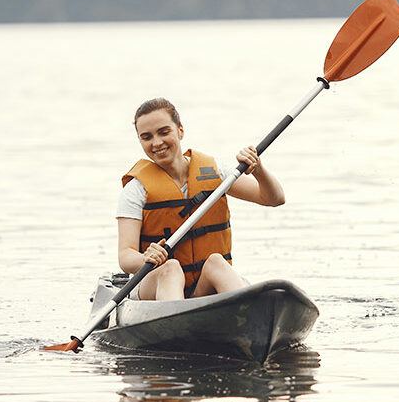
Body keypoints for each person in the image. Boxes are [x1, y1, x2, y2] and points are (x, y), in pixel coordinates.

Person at [116, 98, 285, 301]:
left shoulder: (215, 172)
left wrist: (258, 169)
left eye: (164, 132)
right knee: (170, 267)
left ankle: (246, 311)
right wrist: (145, 258)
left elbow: (274, 198)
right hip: (155, 286)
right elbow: (125, 256)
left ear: (180, 130)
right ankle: (174, 323)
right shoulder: (136, 189)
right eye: (147, 137)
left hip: (203, 286)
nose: (157, 143)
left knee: (216, 261)